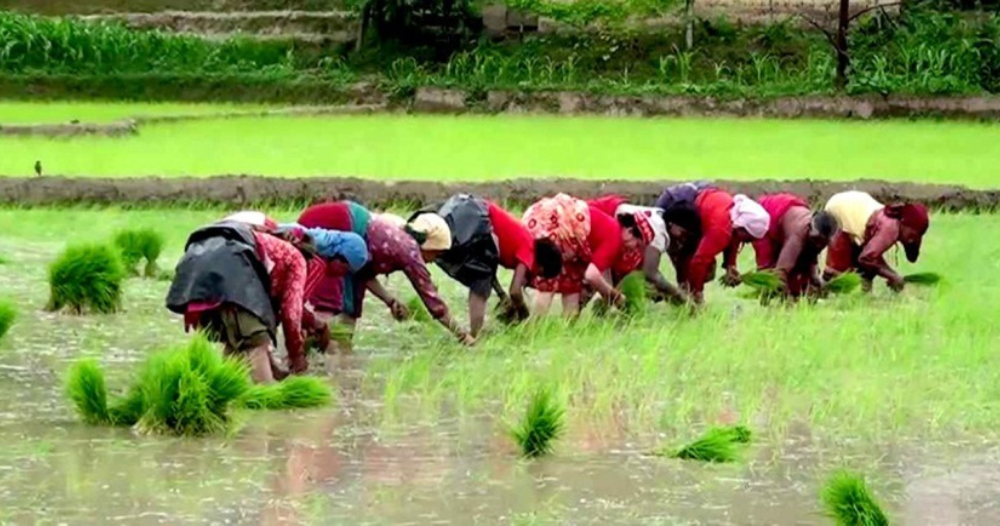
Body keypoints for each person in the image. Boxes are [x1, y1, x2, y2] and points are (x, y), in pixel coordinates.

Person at [165, 219, 326, 383]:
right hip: (231, 269)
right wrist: (296, 355)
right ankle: (267, 399)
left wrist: (275, 367)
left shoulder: (263, 242)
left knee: (235, 342)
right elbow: (291, 313)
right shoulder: (295, 257)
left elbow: (252, 326)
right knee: (256, 343)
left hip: (194, 268)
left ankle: (221, 393)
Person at [405, 194, 563, 336]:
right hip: (476, 220)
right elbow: (515, 291)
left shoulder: (520, 241)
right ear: (541, 267)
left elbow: (488, 260)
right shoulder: (529, 250)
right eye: (539, 275)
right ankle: (475, 336)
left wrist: (501, 295)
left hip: (464, 208)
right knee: (480, 279)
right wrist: (524, 316)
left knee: (447, 250)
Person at [334, 211, 474, 347]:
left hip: (347, 251)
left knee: (350, 309)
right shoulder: (410, 252)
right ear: (429, 246)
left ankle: (340, 353)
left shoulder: (400, 232)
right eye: (436, 254)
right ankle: (335, 351)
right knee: (341, 306)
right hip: (339, 248)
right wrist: (462, 335)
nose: (433, 261)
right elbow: (434, 303)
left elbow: (364, 274)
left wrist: (390, 301)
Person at [521, 193, 641, 316]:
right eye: (638, 242)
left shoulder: (607, 228)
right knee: (548, 284)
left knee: (572, 286)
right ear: (629, 232)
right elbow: (592, 275)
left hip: (560, 231)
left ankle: (568, 332)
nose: (636, 246)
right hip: (552, 225)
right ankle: (533, 331)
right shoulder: (615, 237)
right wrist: (615, 297)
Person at [661, 188, 770, 304]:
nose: (748, 243)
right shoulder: (721, 229)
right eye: (749, 238)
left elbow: (734, 237)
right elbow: (699, 261)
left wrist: (730, 265)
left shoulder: (734, 217)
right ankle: (681, 300)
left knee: (705, 272)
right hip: (676, 208)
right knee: (693, 268)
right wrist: (698, 293)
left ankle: (685, 299)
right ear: (742, 228)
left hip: (694, 207)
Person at [295, 201, 372, 352]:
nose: (343, 276)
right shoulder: (311, 258)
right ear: (340, 259)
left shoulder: (316, 248)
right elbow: (292, 303)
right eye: (346, 270)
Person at [585, 194, 687, 305]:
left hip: (593, 219)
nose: (683, 238)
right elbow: (650, 273)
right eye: (683, 232)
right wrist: (680, 298)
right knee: (591, 285)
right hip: (583, 226)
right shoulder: (615, 236)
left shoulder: (634, 236)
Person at [822, 190, 930, 292]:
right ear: (904, 224)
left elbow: (872, 257)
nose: (911, 239)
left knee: (867, 266)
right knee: (839, 267)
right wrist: (892, 275)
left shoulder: (896, 223)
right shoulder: (890, 228)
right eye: (912, 234)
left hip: (854, 206)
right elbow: (867, 258)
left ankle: (863, 295)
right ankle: (819, 291)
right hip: (840, 210)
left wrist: (890, 275)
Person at [747, 193, 840, 296]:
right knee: (768, 271)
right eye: (816, 240)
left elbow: (810, 257)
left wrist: (814, 278)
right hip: (769, 215)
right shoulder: (798, 235)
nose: (819, 246)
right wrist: (787, 296)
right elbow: (780, 273)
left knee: (801, 278)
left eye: (823, 243)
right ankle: (767, 299)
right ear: (809, 228)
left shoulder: (817, 238)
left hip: (789, 213)